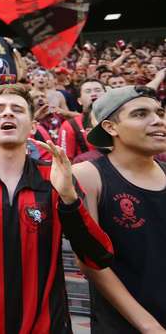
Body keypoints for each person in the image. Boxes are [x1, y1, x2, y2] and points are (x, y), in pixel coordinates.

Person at [0, 85, 114, 333]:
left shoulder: (54, 175)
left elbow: (99, 255)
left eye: (17, 109)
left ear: (33, 126)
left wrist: (68, 197)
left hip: (48, 326)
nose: (8, 114)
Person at [72, 86, 166, 332]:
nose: (157, 120)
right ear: (110, 127)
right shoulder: (89, 175)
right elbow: (89, 261)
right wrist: (148, 325)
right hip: (121, 324)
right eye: (140, 114)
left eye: (160, 112)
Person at [58, 79, 105, 162]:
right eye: (88, 91)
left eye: (98, 90)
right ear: (79, 101)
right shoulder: (70, 125)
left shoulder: (118, 118)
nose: (94, 94)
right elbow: (64, 160)